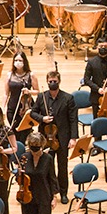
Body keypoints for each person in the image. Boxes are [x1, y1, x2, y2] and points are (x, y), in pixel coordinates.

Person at [30, 71, 77, 203]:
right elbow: (33, 113)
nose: (52, 83)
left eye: (54, 81)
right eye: (50, 81)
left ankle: (63, 193)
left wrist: (73, 138)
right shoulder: (42, 97)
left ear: (59, 81)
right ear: (47, 82)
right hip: (45, 139)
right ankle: (50, 191)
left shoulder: (68, 98)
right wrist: (42, 118)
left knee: (62, 166)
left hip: (62, 138)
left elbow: (73, 119)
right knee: (46, 166)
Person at [20, 130, 57, 214]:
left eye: (37, 148)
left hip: (43, 196)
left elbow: (52, 178)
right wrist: (19, 173)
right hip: (27, 197)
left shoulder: (47, 159)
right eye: (32, 147)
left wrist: (54, 197)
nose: (35, 151)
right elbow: (20, 181)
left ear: (42, 146)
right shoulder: (24, 157)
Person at [81, 39, 107, 120]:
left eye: (105, 46)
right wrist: (97, 89)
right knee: (96, 120)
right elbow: (86, 79)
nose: (103, 48)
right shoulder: (91, 62)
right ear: (97, 47)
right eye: (101, 46)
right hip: (96, 96)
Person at [4, 50, 34, 126]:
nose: (18, 62)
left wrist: (29, 91)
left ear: (24, 62)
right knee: (13, 130)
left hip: (26, 107)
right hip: (12, 107)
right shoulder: (9, 75)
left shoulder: (31, 75)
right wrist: (3, 108)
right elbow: (6, 94)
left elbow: (37, 91)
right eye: (16, 60)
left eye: (20, 60)